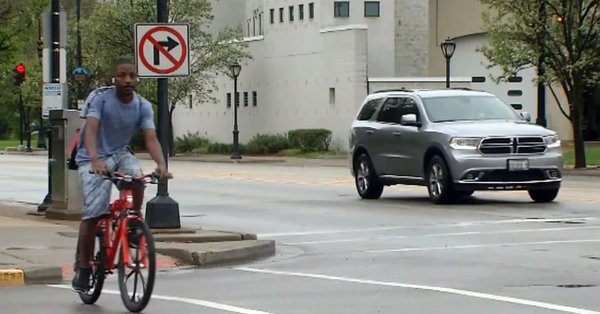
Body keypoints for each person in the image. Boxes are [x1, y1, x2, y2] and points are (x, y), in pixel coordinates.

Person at [71, 56, 172, 292]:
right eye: (122, 75)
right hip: (91, 157)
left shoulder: (142, 105)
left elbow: (150, 138)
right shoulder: (100, 98)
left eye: (132, 76)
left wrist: (161, 165)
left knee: (137, 178)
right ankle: (84, 268)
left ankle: (134, 222)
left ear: (136, 78)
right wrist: (95, 160)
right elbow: (91, 130)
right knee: (94, 212)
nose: (127, 80)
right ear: (114, 78)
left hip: (119, 153)